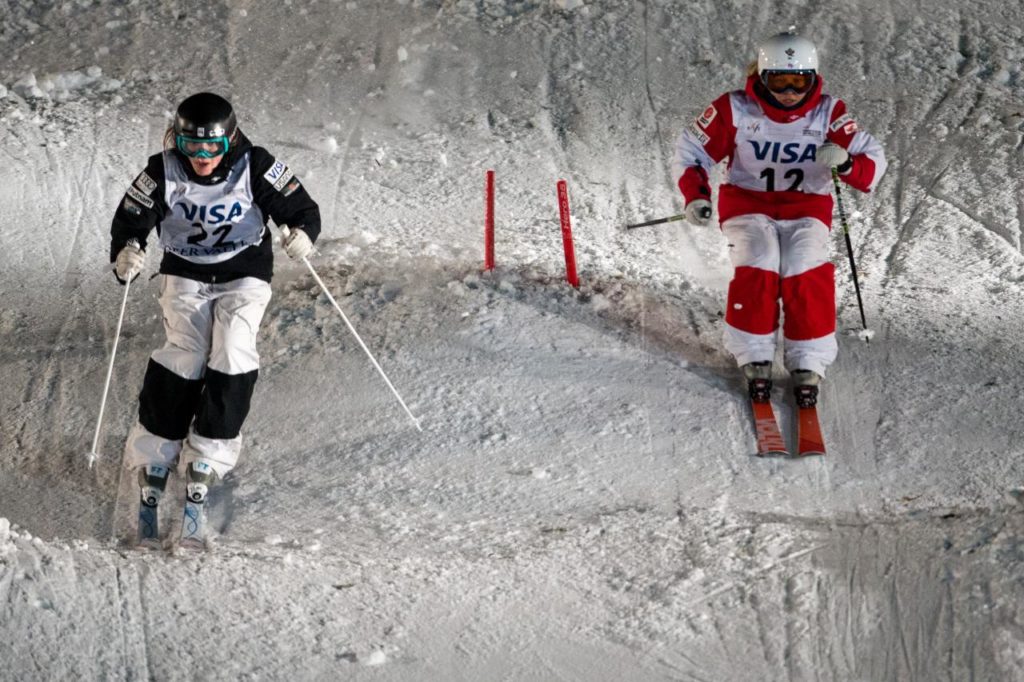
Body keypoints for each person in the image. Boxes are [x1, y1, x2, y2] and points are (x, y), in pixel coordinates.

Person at [110, 92, 320, 544]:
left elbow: (301, 207)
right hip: (185, 271)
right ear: (178, 141)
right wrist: (129, 250)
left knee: (233, 348)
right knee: (185, 352)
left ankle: (210, 452)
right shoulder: (161, 171)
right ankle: (154, 454)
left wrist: (302, 234)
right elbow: (131, 217)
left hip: (243, 272)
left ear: (230, 140)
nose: (201, 158)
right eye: (191, 147)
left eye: (212, 147)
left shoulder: (256, 164)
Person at [670, 31, 886, 407]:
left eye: (799, 81)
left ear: (813, 78)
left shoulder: (829, 113)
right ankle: (753, 350)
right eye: (779, 81)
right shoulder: (734, 109)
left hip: (806, 206)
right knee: (761, 257)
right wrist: (697, 195)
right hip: (747, 203)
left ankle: (809, 358)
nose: (789, 91)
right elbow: (691, 152)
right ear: (762, 77)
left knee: (803, 264)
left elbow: (874, 164)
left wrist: (848, 163)